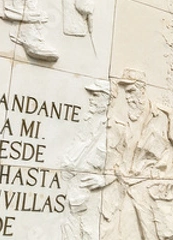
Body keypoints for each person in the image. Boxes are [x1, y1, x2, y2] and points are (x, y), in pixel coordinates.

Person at [106, 69, 173, 240]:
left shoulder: (164, 116)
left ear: (142, 89)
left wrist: (170, 177)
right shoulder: (121, 118)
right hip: (126, 186)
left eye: (131, 91)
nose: (128, 98)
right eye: (126, 92)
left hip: (152, 188)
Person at [62, 80, 112, 240]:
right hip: (74, 191)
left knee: (89, 233)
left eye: (96, 95)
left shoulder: (113, 127)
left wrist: (105, 178)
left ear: (107, 100)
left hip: (93, 196)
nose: (91, 99)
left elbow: (125, 162)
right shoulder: (88, 122)